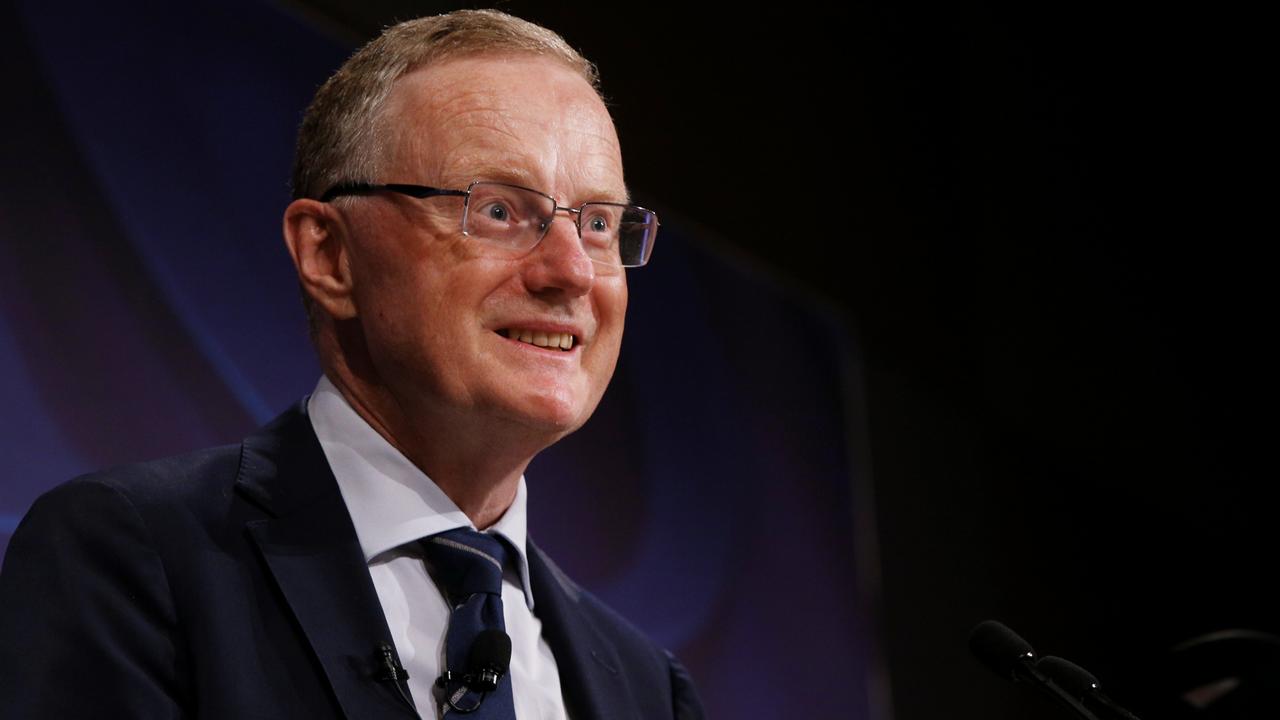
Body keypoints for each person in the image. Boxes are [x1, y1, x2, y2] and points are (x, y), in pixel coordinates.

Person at [0, 10, 704, 719]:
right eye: (497, 210)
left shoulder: (646, 691)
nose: (572, 271)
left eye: (600, 224)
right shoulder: (138, 561)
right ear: (329, 255)